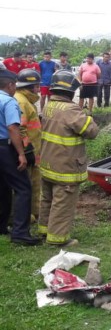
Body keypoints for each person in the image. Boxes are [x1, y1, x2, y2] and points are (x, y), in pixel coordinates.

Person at [38, 70, 99, 247]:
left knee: (47, 199)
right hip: (65, 167)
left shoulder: (48, 106)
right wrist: (89, 117)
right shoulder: (71, 110)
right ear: (71, 91)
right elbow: (92, 131)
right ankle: (58, 239)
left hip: (48, 163)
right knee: (62, 203)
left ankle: (44, 230)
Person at [0, 70, 41, 245]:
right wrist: (21, 154)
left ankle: (2, 226)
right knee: (23, 188)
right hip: (6, 147)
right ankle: (20, 233)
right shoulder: (10, 101)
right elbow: (13, 128)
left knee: (2, 188)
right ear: (10, 85)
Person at [14, 69, 42, 221]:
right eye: (37, 86)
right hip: (29, 150)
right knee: (27, 184)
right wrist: (27, 150)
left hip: (34, 150)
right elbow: (21, 127)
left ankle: (33, 212)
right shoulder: (21, 101)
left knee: (34, 183)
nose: (38, 89)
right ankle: (25, 215)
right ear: (29, 86)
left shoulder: (26, 100)